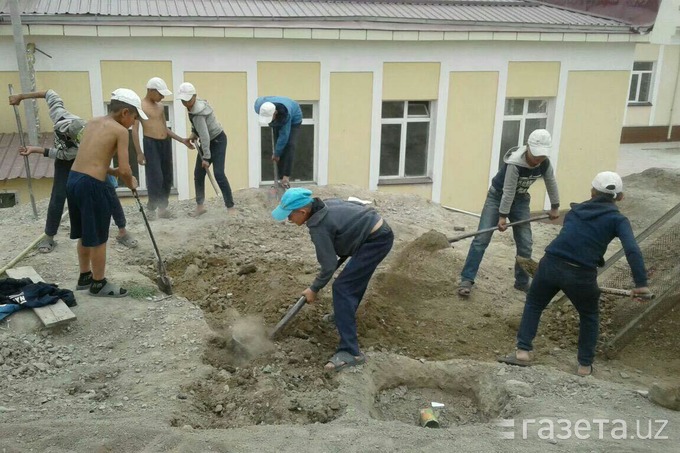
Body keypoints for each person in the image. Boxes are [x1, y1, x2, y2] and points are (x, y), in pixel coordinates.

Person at [498, 171, 651, 376]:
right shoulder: (618, 220)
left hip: (551, 264)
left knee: (534, 303)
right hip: (581, 274)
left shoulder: (574, 212)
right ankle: (584, 366)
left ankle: (523, 351)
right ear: (620, 197)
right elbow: (632, 249)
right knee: (589, 315)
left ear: (591, 191)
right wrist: (641, 283)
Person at [272, 188, 394, 372]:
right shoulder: (324, 205)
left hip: (375, 240)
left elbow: (328, 266)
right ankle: (342, 316)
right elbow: (355, 207)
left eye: (289, 216)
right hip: (373, 232)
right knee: (351, 282)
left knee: (343, 287)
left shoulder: (318, 227)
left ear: (302, 212)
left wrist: (313, 289)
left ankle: (350, 352)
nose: (288, 220)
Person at [8, 89, 138, 252]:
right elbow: (49, 93)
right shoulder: (59, 114)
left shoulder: (87, 142)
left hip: (87, 162)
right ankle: (49, 237)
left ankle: (122, 231)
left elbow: (99, 164)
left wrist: (112, 172)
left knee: (109, 190)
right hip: (64, 162)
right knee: (58, 196)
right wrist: (21, 96)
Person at [458, 129, 560, 297]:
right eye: (536, 156)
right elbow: (508, 190)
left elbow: (551, 182)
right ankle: (467, 278)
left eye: (541, 156)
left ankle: (521, 282)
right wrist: (502, 216)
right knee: (481, 239)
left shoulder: (545, 163)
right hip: (497, 198)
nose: (538, 160)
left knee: (525, 244)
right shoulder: (515, 163)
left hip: (521, 201)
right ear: (528, 148)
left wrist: (555, 206)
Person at [66, 88, 143, 297]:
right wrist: (131, 183)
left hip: (73, 180)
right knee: (99, 236)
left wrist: (112, 171)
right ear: (125, 113)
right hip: (92, 185)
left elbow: (91, 157)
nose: (134, 123)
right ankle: (98, 284)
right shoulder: (120, 131)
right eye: (134, 118)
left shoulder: (92, 122)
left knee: (83, 232)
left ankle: (85, 276)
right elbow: (127, 169)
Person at [132, 77, 193, 219]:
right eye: (160, 94)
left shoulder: (160, 107)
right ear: (151, 91)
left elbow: (165, 129)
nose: (162, 97)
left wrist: (182, 140)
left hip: (164, 143)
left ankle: (163, 208)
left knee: (167, 176)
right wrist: (139, 153)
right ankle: (151, 209)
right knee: (155, 176)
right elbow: (134, 131)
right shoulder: (140, 106)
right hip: (150, 143)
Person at [176, 82, 235, 216]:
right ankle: (200, 206)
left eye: (188, 100)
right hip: (208, 140)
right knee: (198, 174)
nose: (185, 103)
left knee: (219, 173)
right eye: (183, 101)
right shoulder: (191, 108)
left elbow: (205, 135)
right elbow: (198, 128)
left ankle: (230, 207)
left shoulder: (198, 111)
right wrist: (192, 135)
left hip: (218, 140)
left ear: (194, 96)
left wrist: (207, 158)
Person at [254, 96, 302, 189]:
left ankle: (285, 177)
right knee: (278, 144)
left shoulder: (285, 114)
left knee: (289, 144)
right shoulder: (259, 106)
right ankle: (279, 177)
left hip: (294, 118)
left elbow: (284, 136)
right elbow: (260, 99)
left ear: (275, 113)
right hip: (277, 110)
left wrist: (276, 154)